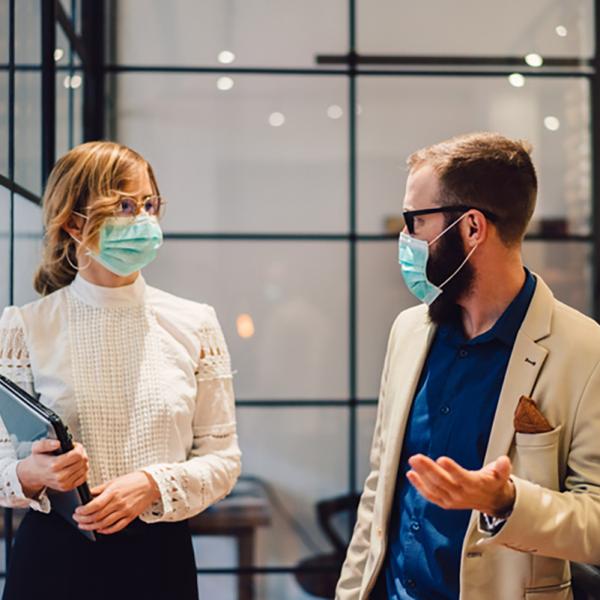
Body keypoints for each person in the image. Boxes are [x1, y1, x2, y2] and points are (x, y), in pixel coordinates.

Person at [336, 132, 600, 599]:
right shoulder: (409, 330)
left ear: (472, 227)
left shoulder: (583, 350)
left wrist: (506, 501)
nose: (405, 238)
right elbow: (379, 493)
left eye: (414, 220)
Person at [0, 141, 241, 600]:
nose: (144, 219)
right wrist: (35, 473)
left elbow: (224, 459)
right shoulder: (24, 327)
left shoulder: (195, 322)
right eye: (126, 205)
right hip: (53, 560)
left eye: (150, 204)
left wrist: (152, 484)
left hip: (159, 558)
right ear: (73, 222)